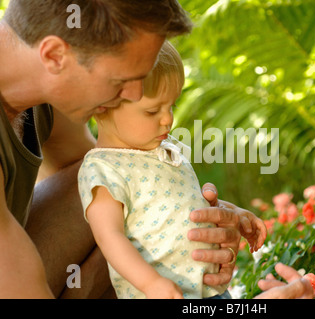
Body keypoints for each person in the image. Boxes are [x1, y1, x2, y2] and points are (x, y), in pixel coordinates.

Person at [0, 0, 260, 298]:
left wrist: (191, 221)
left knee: (110, 185)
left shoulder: (44, 89)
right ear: (55, 56)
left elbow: (123, 181)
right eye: (122, 80)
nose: (135, 95)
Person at [77, 41, 267, 299]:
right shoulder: (104, 168)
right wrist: (151, 283)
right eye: (153, 110)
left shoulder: (166, 149)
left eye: (172, 106)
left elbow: (183, 205)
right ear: (102, 106)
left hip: (208, 291)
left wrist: (237, 213)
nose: (168, 119)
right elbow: (109, 236)